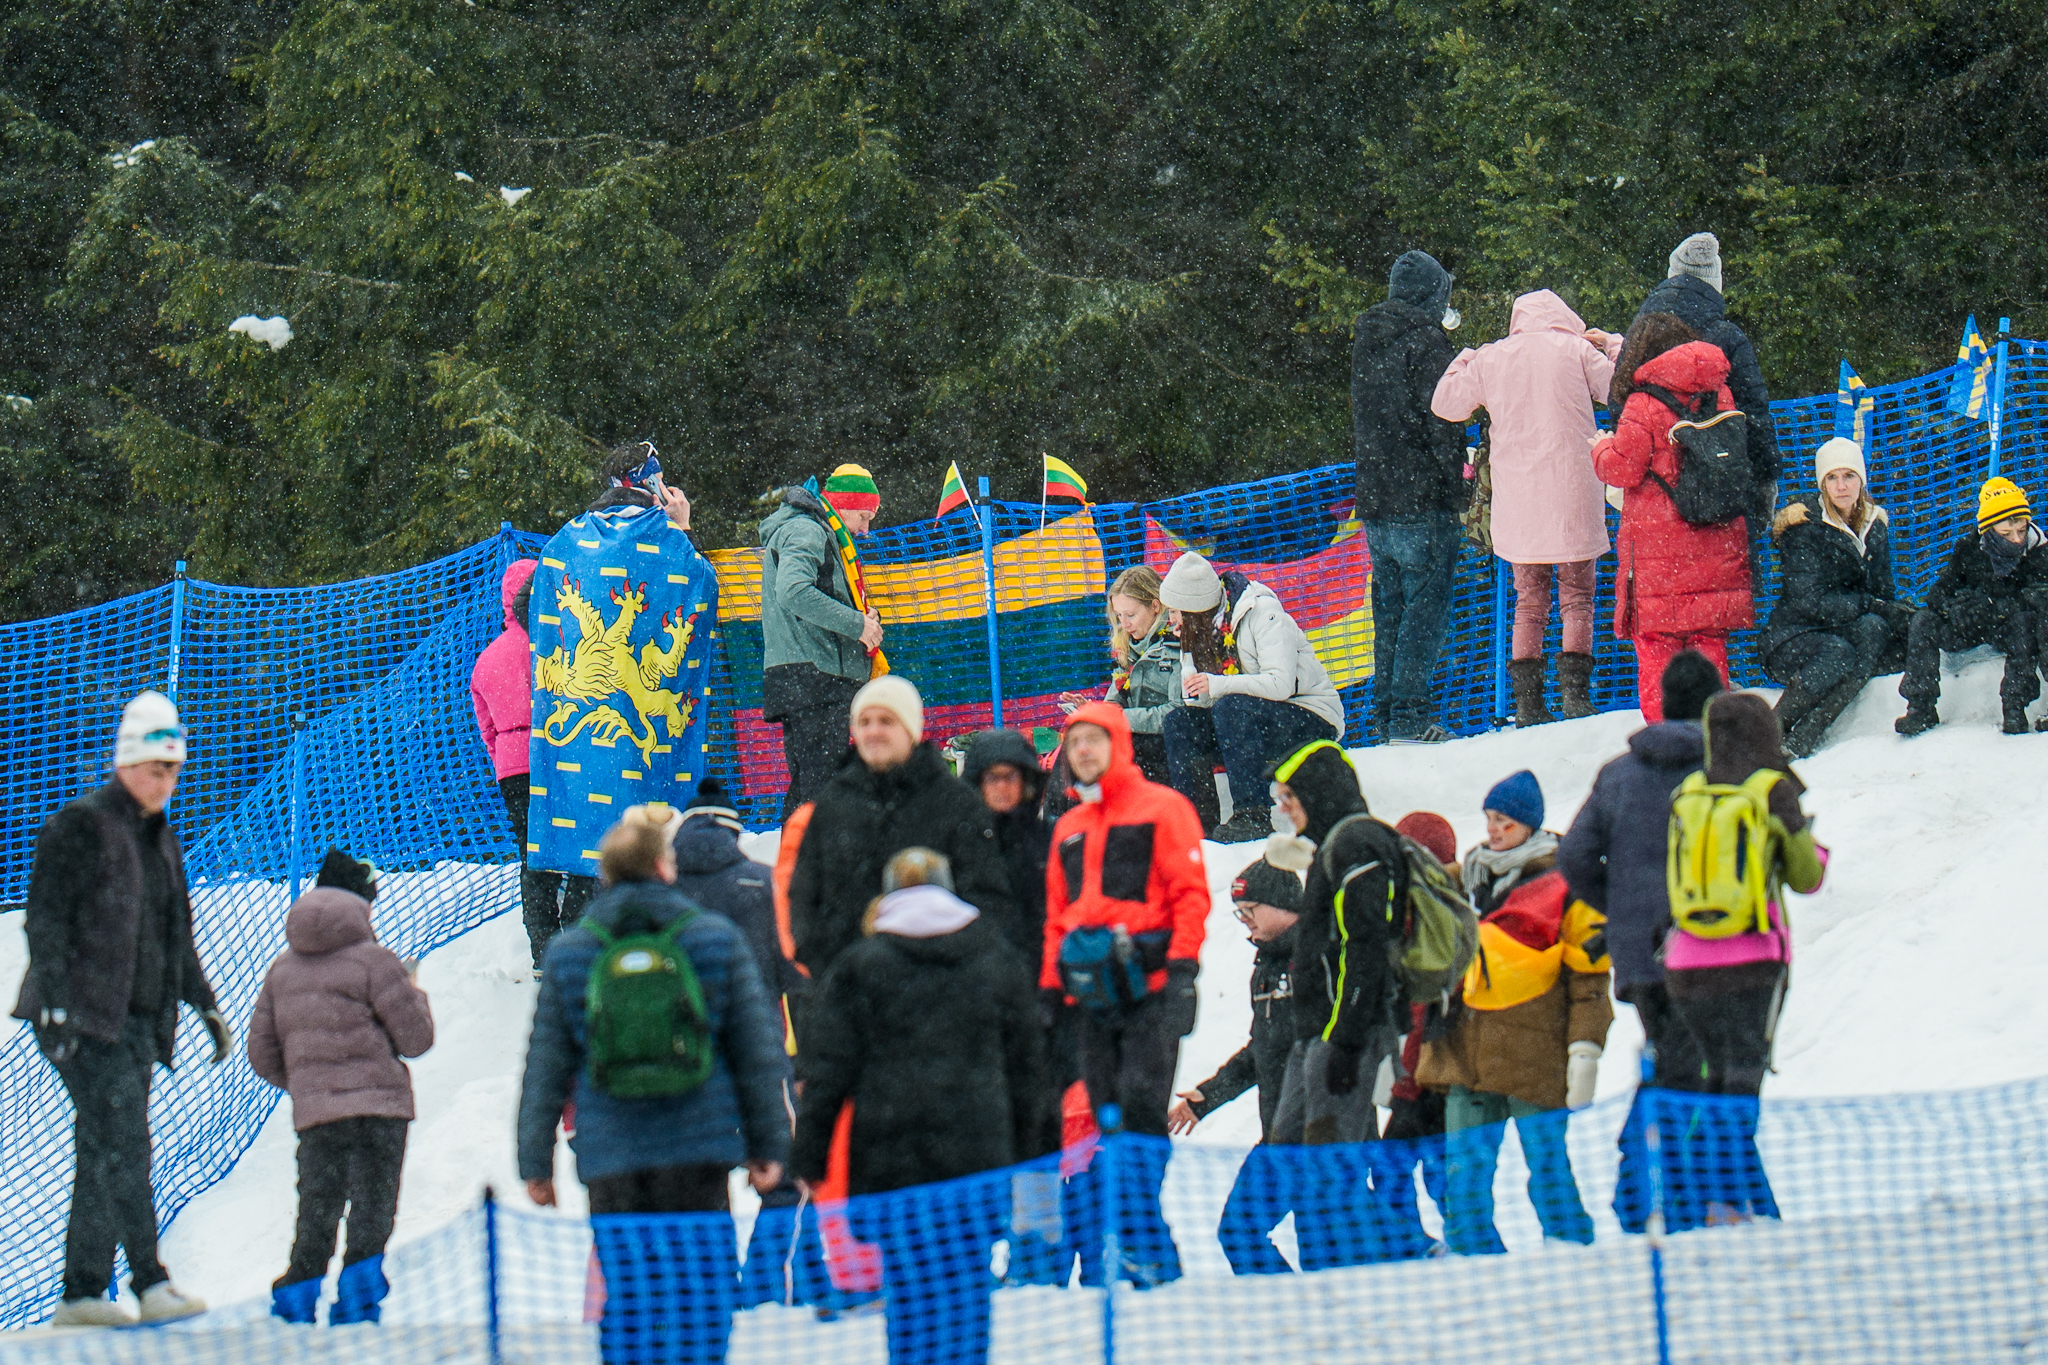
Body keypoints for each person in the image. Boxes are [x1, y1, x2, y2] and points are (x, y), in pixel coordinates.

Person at [517, 806, 790, 1365]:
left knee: (629, 1295)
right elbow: (755, 1052)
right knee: (702, 1293)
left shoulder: (573, 952)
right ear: (666, 867)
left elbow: (546, 1064)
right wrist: (769, 1147)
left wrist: (535, 1162)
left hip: (612, 1154)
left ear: (605, 874)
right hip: (698, 1147)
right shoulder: (712, 940)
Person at [12, 691, 228, 1327]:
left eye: (173, 771)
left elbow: (175, 936)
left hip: (135, 1019)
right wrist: (55, 1005)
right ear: (126, 762)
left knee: (102, 1148)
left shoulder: (161, 840)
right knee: (127, 1142)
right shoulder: (80, 825)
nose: (165, 784)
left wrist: (205, 1005)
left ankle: (81, 1293)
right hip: (81, 1016)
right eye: (155, 770)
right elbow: (45, 920)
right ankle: (149, 1282)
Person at [793, 848, 1043, 1365]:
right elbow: (1028, 1068)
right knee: (968, 1289)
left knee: (908, 1294)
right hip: (976, 1156)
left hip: (892, 1156)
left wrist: (810, 1154)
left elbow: (828, 1071)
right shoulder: (994, 957)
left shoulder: (860, 966)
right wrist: (1033, 1150)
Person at [1039, 703, 1208, 1285]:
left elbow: (1189, 895)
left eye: (1094, 739)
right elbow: (1056, 917)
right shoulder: (1068, 827)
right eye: (1074, 741)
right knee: (1105, 1119)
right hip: (1089, 997)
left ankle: (1142, 1239)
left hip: (1150, 989)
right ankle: (1142, 1243)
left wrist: (1182, 971)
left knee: (1139, 1110)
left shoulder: (1164, 808)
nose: (1084, 750)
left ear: (1118, 743)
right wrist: (1050, 992)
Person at [1555, 649, 1723, 1232]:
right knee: (1689, 1071)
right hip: (1706, 943)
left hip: (1638, 954)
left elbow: (1574, 856)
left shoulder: (1619, 774)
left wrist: (1620, 909)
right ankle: (1649, 1193)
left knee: (1672, 1061)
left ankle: (1652, 1190)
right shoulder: (1721, 771)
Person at [1417, 769, 1611, 1254]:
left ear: (1529, 824)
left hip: (1534, 1053)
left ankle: (1571, 1248)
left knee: (1547, 1163)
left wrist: (1585, 1047)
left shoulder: (1566, 885)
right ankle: (1473, 1254)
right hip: (1467, 1050)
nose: (1494, 830)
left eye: (1505, 821)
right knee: (1464, 1169)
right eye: (1489, 818)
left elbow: (1589, 977)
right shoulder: (1465, 879)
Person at [1262, 739, 1434, 1264]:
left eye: (1290, 797)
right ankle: (1361, 1263)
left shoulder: (1357, 842)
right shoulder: (1336, 844)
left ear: (1317, 793)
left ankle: (1395, 1257)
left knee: (1329, 1169)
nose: (1284, 809)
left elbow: (1364, 950)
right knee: (1304, 1160)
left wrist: (1345, 1039)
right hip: (1319, 1033)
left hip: (1343, 1033)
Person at [249, 850, 435, 1326]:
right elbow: (416, 1040)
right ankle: (357, 1299)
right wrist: (412, 990)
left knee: (317, 1207)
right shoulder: (377, 962)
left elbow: (261, 1053)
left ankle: (298, 1296)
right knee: (373, 1207)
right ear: (360, 907)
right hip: (381, 1110)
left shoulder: (281, 972)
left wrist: (309, 1084)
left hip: (319, 1117)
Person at [1659, 693, 1826, 1225]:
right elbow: (1806, 877)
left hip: (1686, 962)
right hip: (1753, 959)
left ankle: (1707, 1200)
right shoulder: (1771, 789)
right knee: (1741, 1080)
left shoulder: (1689, 788)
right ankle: (1728, 1204)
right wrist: (1809, 846)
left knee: (1712, 1080)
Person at [1431, 289, 1622, 725]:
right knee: (1578, 597)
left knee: (1529, 601)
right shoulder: (1575, 350)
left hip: (1518, 501)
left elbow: (1445, 403)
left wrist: (1466, 356)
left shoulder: (1492, 358)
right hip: (1573, 492)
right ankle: (1576, 697)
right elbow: (1621, 389)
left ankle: (1528, 705)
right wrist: (1613, 344)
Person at [787, 677, 1016, 987]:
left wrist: (950, 970)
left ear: (911, 729)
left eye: (886, 721)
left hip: (939, 989)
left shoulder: (955, 802)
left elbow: (987, 897)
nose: (873, 731)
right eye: (864, 722)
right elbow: (805, 893)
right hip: (852, 989)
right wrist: (828, 966)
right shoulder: (833, 803)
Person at [1592, 338, 1749, 721]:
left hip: (1658, 551)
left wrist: (1600, 448)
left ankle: (1666, 744)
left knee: (1657, 652)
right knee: (1709, 646)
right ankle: (1714, 736)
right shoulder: (1720, 393)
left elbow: (1623, 470)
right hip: (1714, 540)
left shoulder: (1642, 403)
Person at [1350, 249, 1466, 744]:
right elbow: (1443, 421)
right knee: (1424, 611)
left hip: (1376, 497)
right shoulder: (1428, 342)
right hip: (1422, 497)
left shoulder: (1368, 340)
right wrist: (1457, 484)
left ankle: (1386, 715)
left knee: (1390, 610)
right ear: (1433, 295)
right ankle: (1410, 717)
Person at [1168, 856, 1301, 1276]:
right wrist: (1205, 1098)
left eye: (1251, 909)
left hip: (1323, 1136)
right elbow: (1260, 1052)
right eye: (1239, 912)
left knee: (1333, 1244)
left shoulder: (1317, 956)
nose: (1245, 920)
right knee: (1239, 1230)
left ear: (1284, 904)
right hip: (1279, 1138)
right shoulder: (1266, 967)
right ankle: (1292, 1305)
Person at [1155, 551, 1345, 842]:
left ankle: (1252, 814)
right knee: (1180, 722)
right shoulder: (1202, 631)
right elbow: (1208, 703)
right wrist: (1192, 667)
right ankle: (1195, 823)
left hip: (1310, 716)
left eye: (1175, 612)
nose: (1171, 621)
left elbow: (1280, 685)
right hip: (1247, 721)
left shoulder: (1262, 612)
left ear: (1194, 610)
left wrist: (1217, 685)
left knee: (1232, 707)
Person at [1623, 233, 1780, 544]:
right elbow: (1753, 410)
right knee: (1724, 569)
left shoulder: (1639, 336)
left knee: (1660, 569)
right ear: (1714, 284)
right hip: (1720, 487)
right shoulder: (1728, 337)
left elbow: (1620, 406)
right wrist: (1766, 474)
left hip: (1655, 490)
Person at [1761, 438, 1911, 755]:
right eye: (1832, 477)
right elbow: (1808, 602)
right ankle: (1771, 731)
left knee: (1875, 629)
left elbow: (1882, 592)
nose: (1841, 486)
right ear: (1822, 483)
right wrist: (1868, 604)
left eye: (1849, 476)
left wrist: (1896, 613)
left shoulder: (1875, 525)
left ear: (1861, 480)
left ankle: (1807, 734)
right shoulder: (1805, 527)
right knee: (1838, 652)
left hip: (1843, 628)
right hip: (1793, 636)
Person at [759, 464, 888, 818]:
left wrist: (860, 617)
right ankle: (815, 852)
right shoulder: (808, 529)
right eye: (864, 516)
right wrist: (856, 624)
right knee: (822, 791)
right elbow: (793, 591)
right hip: (815, 677)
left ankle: (798, 851)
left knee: (808, 789)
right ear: (843, 505)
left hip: (804, 675)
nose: (865, 529)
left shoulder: (813, 528)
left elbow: (809, 592)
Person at [471, 556, 577, 969]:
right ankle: (578, 936)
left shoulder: (486, 660)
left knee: (533, 856)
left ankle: (543, 951)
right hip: (558, 756)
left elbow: (487, 730)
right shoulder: (556, 643)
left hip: (513, 768)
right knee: (575, 846)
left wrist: (506, 759)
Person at [1895, 477, 2047, 737]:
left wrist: (1994, 607)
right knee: (1923, 620)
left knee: (2026, 622)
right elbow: (1938, 592)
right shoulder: (1968, 548)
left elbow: (2038, 597)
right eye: (2006, 533)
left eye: (2021, 531)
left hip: (2008, 627)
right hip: (1970, 624)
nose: (2016, 539)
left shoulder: (2038, 551)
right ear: (1988, 530)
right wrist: (1953, 607)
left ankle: (2014, 707)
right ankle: (1920, 708)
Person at [669, 778, 802, 1008]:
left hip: (682, 1015)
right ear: (734, 832)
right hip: (754, 1009)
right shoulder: (762, 881)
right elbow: (788, 965)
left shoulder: (662, 884)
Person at [961, 729, 1054, 966]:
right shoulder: (961, 843)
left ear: (1025, 781)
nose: (1001, 787)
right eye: (993, 778)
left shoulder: (1049, 839)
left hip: (1041, 966)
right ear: (978, 783)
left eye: (1010, 777)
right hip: (978, 968)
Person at [1098, 565, 1189, 792]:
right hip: (1136, 734)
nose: (1124, 624)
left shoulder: (1177, 640)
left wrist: (1123, 718)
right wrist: (1098, 713)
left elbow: (1178, 711)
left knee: (1128, 751)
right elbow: (1115, 699)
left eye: (1131, 615)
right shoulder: (1128, 645)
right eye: (1119, 616)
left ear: (1155, 607)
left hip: (1166, 742)